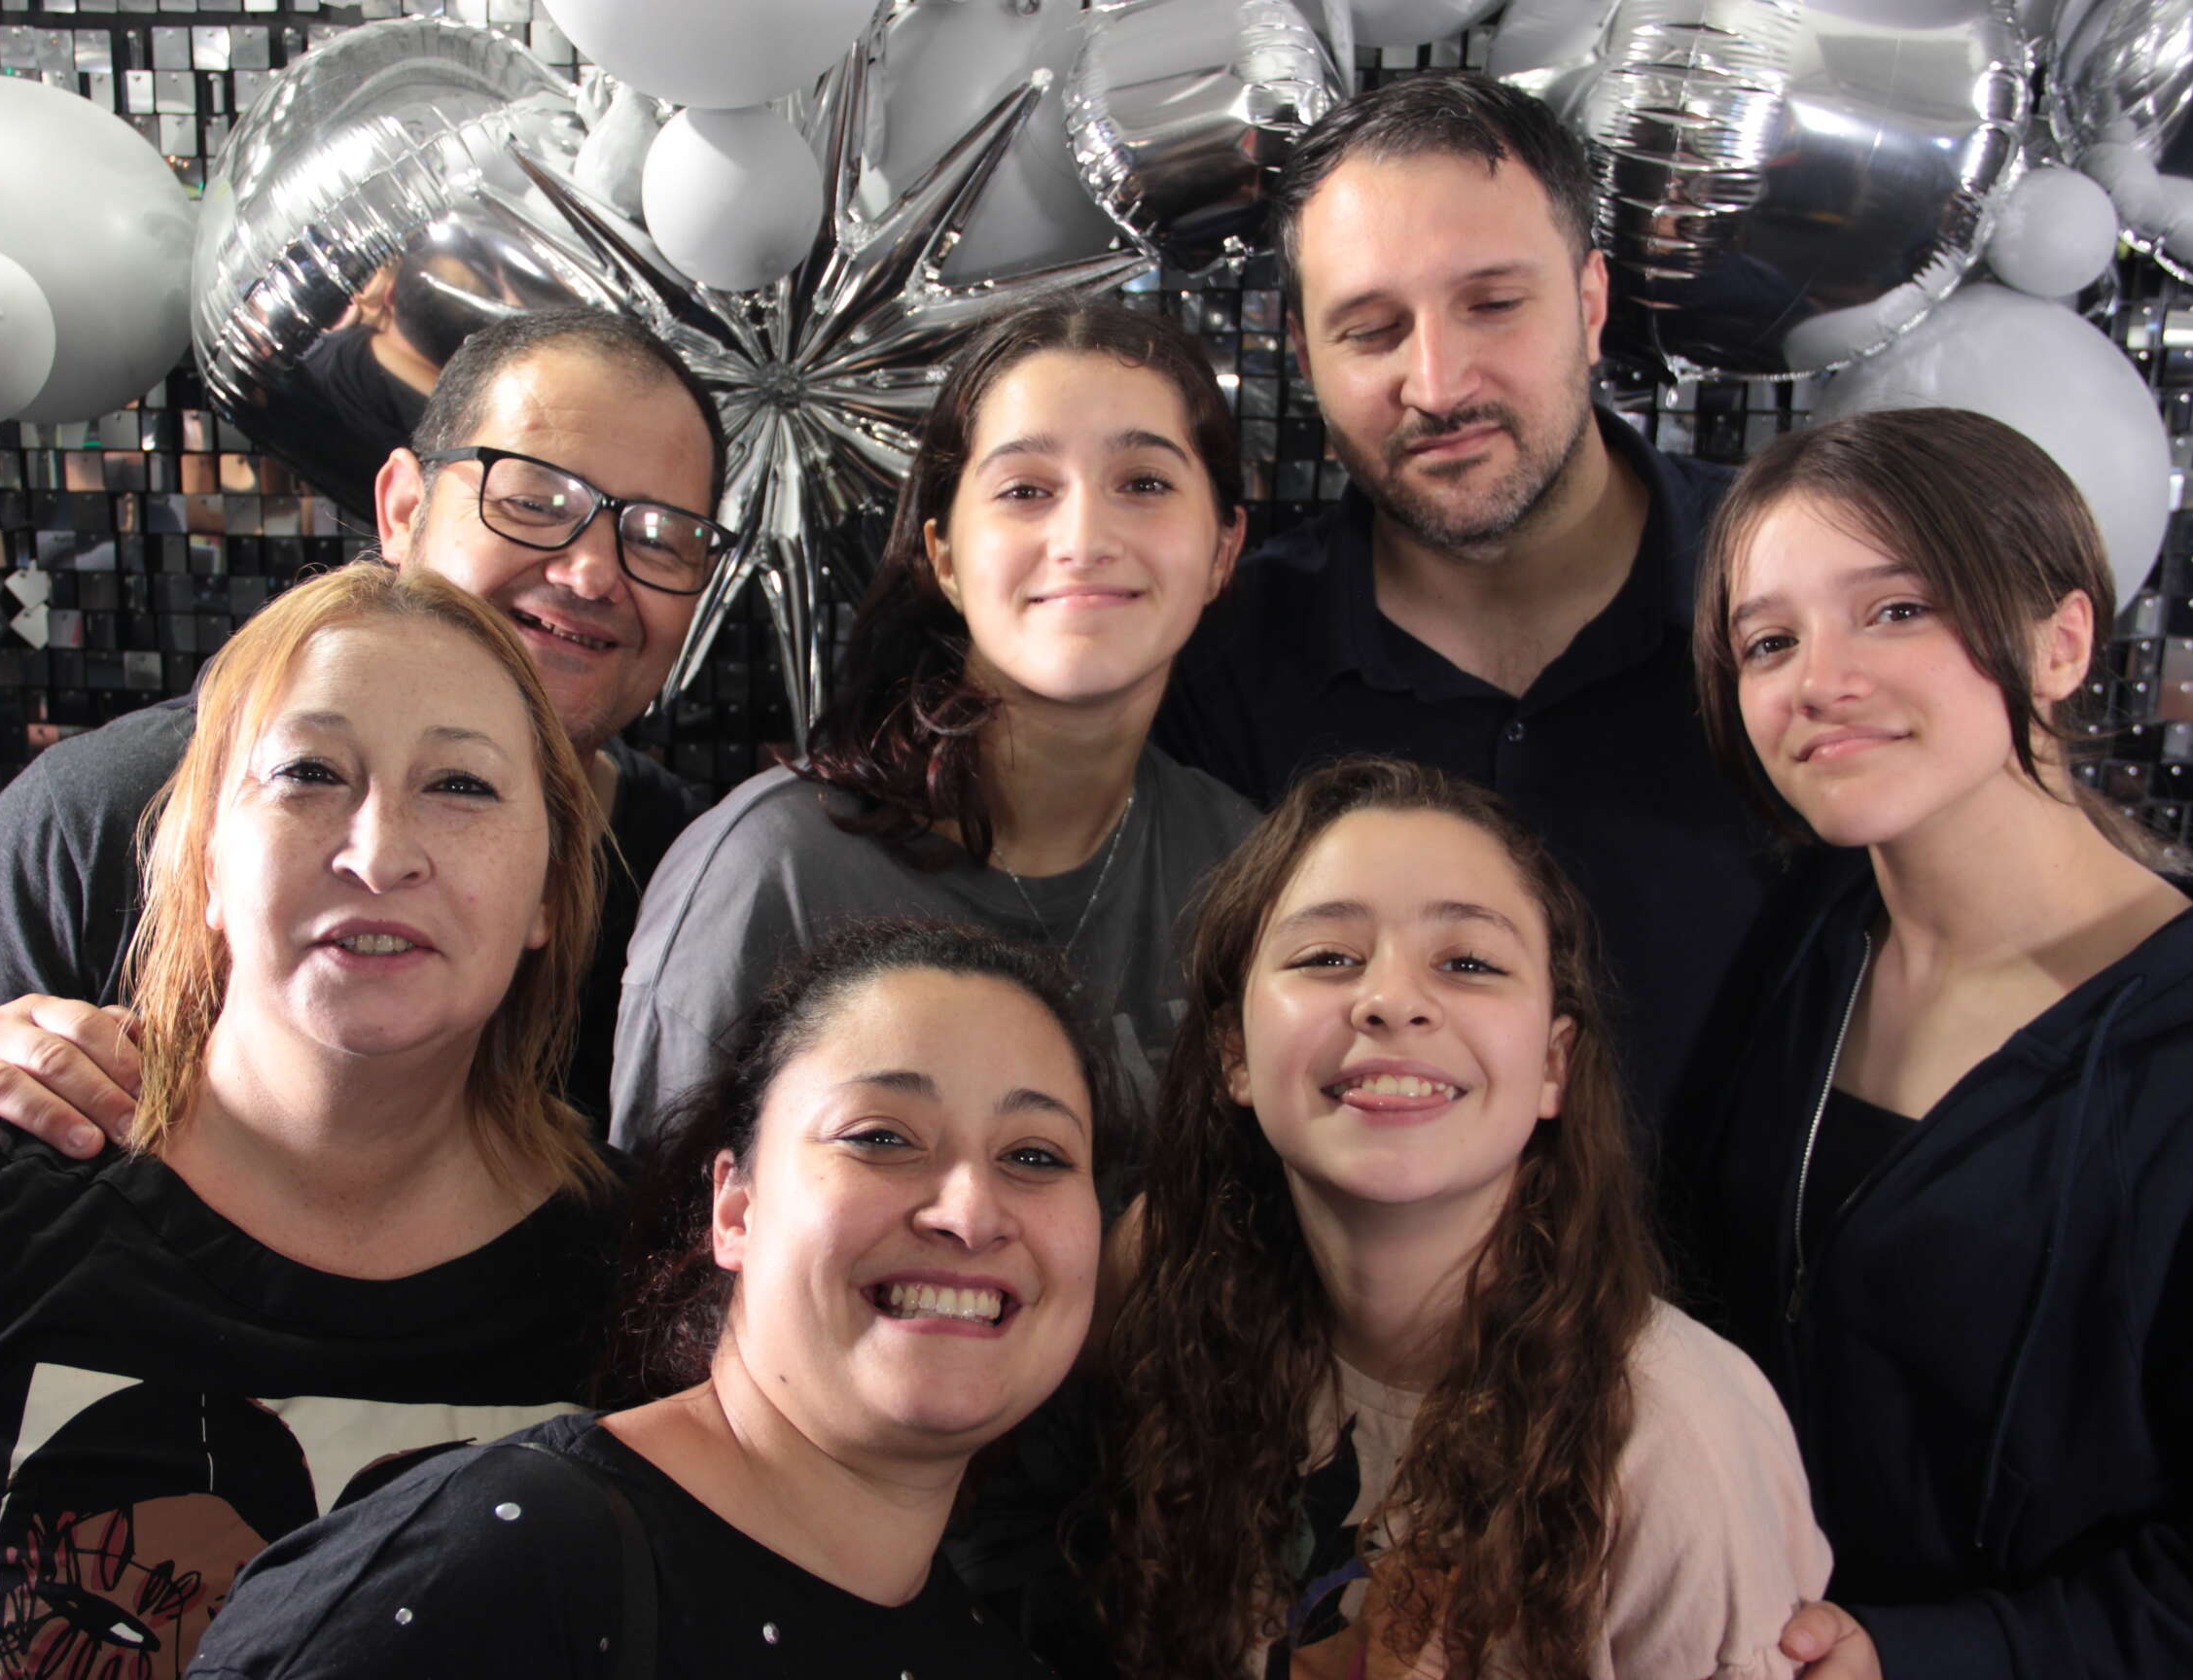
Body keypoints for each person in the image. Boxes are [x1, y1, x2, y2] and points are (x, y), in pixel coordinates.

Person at [0, 563, 628, 1680]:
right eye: (309, 772)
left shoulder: (636, 1284)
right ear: (202, 856)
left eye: (460, 785)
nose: (378, 851)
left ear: (549, 887)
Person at [0, 303, 724, 1254]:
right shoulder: (121, 802)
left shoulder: (701, 883)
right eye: (534, 501)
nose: (591, 574)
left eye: (659, 535)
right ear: (402, 508)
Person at [1680, 408, 2193, 1680]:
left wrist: (1926, 1656)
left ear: (2061, 641)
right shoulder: (1804, 946)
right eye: (1770, 641)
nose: (1820, 680)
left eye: (1896, 611)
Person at [184, 920, 1126, 1678]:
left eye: (1035, 1155)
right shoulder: (497, 1568)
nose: (969, 1212)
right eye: (881, 1137)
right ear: (735, 1209)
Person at [1152, 70, 1783, 1138]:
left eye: (1492, 305)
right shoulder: (1218, 663)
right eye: (1370, 329)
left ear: (1590, 303)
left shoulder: (1788, 596)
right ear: (1304, 357)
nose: (1438, 385)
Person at [1104, 757, 1828, 1680]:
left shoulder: (1675, 1438)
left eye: (1469, 963)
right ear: (1232, 1054)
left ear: (1554, 1066)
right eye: (1328, 957)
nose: (1391, 1001)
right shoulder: (1173, 1306)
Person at [610, 300, 1256, 1147]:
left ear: (1222, 549)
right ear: (944, 556)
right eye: (1025, 490)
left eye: (1144, 483)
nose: (1083, 539)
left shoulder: (1246, 869)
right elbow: (663, 1221)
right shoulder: (774, 873)